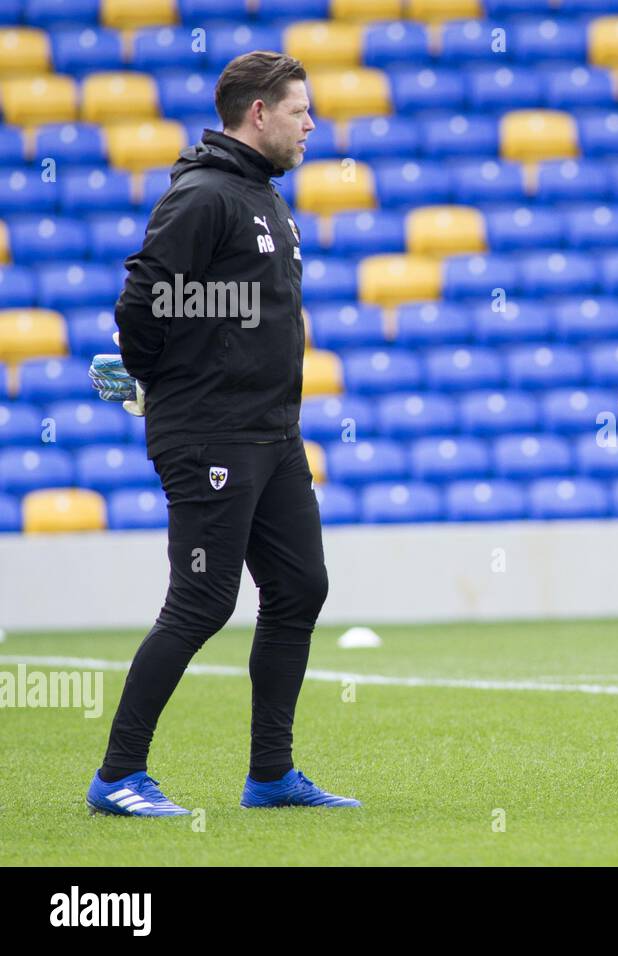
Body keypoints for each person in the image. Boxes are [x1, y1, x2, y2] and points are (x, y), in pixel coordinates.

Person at [84, 51, 360, 815]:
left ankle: (271, 775)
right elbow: (141, 303)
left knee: (301, 586)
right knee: (203, 601)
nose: (313, 123)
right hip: (211, 435)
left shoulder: (266, 199)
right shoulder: (203, 196)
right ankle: (117, 776)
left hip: (272, 437)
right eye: (301, 109)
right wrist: (156, 382)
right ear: (259, 113)